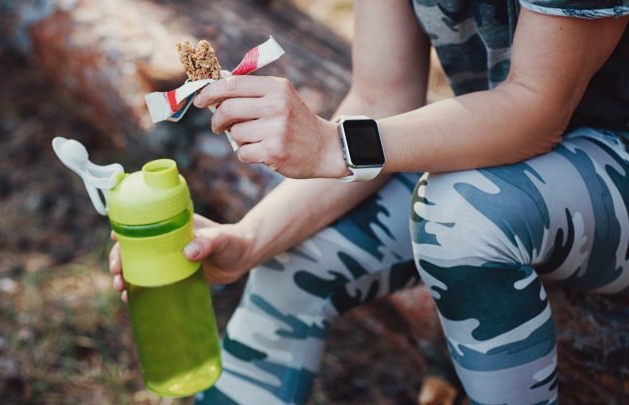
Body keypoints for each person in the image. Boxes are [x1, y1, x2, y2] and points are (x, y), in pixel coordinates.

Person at [109, 0, 629, 403]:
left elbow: (537, 111)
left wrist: (334, 143)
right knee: (298, 250)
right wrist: (247, 241)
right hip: (518, 164)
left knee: (460, 212)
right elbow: (381, 98)